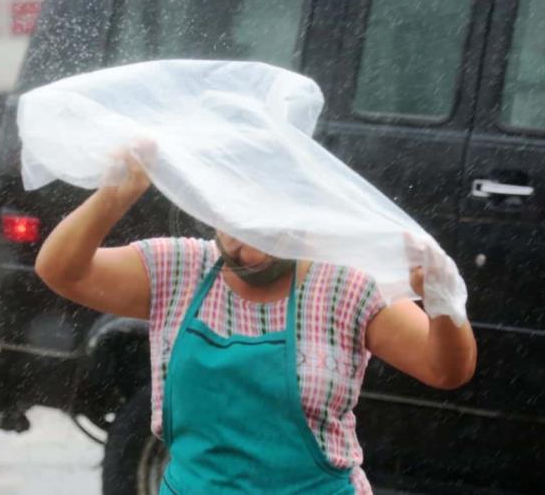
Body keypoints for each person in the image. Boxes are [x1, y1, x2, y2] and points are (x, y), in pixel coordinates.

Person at [35, 153, 477, 495]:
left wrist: (443, 302)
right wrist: (117, 193)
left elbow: (445, 369)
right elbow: (60, 269)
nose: (246, 252)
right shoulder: (179, 271)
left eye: (265, 235)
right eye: (232, 231)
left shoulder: (344, 287)